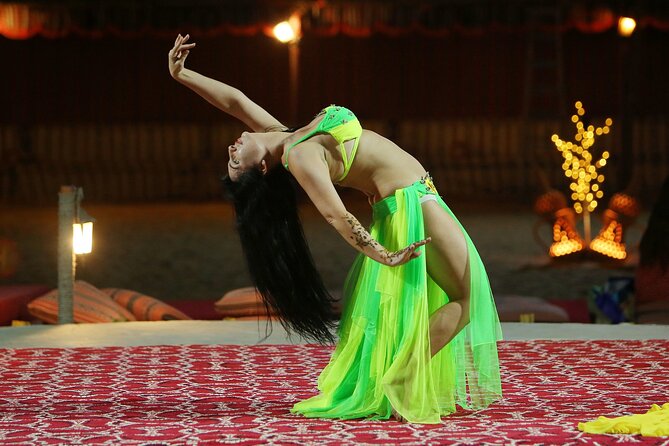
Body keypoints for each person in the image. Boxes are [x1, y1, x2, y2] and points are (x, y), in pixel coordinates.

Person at [168, 34, 502, 424]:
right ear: (260, 169)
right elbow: (336, 214)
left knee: (462, 296)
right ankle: (400, 379)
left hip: (415, 197)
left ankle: (399, 379)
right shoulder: (299, 155)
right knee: (468, 297)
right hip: (411, 202)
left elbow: (235, 101)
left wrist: (182, 75)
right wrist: (383, 254)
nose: (230, 151)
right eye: (235, 162)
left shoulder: (285, 136)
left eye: (230, 157)